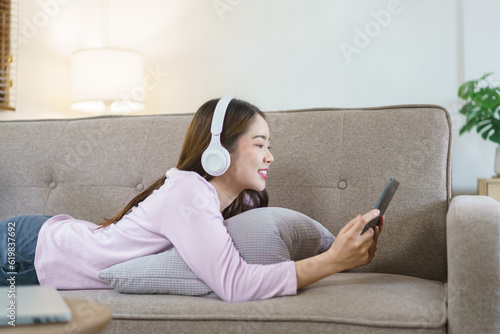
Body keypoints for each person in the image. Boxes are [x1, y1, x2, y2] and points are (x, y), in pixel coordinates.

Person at [0, 98, 383, 303]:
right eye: (260, 145)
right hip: (26, 251)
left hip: (41, 242)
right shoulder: (190, 193)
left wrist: (345, 249)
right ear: (219, 151)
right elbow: (234, 285)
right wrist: (331, 262)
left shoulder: (237, 201)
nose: (270, 156)